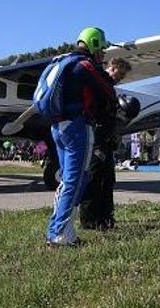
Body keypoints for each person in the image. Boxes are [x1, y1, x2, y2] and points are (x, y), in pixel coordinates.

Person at [43, 27, 116, 247]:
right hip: (77, 126)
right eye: (101, 49)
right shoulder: (84, 65)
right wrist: (105, 73)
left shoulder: (63, 60)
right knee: (76, 180)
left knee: (67, 180)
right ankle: (60, 234)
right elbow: (108, 90)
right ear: (93, 44)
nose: (102, 54)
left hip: (58, 126)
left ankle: (56, 228)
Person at [80, 57, 133, 231]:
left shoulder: (109, 88)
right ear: (112, 67)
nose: (121, 78)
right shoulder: (99, 84)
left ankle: (105, 217)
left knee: (108, 179)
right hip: (97, 137)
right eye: (120, 73)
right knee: (94, 178)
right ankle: (89, 219)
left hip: (106, 139)